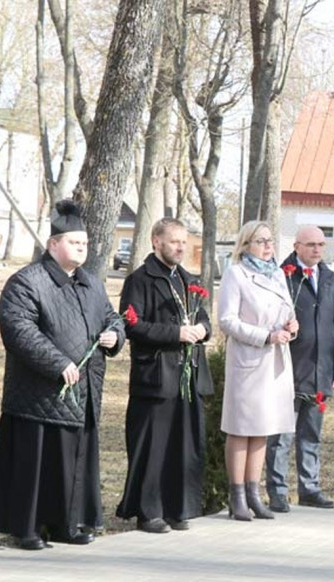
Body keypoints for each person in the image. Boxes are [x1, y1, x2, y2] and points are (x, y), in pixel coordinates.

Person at [0, 200, 125, 549]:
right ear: (53, 244)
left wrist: (115, 335)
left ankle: (66, 524)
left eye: (85, 244)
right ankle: (26, 528)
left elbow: (112, 317)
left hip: (83, 390)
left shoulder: (91, 282)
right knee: (36, 463)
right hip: (39, 393)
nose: (82, 248)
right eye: (75, 243)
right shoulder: (27, 281)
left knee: (72, 464)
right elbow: (18, 330)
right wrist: (57, 362)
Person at [116, 218, 213, 533]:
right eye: (174, 241)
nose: (181, 247)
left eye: (184, 242)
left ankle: (177, 507)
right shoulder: (140, 280)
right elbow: (132, 325)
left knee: (183, 445)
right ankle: (149, 510)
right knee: (154, 447)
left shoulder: (188, 279)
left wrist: (202, 329)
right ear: (156, 241)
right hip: (156, 377)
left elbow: (204, 321)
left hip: (187, 378)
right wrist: (176, 333)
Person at [218, 221, 297, 521]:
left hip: (275, 361)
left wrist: (292, 324)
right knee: (241, 428)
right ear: (246, 243)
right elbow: (227, 320)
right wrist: (265, 336)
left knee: (262, 428)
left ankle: (254, 492)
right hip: (249, 359)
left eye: (270, 240)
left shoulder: (277, 274)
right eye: (261, 241)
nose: (267, 246)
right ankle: (236, 494)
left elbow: (287, 310)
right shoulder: (236, 273)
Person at [266, 226, 334, 512]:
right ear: (297, 245)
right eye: (311, 244)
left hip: (320, 372)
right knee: (282, 435)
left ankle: (310, 488)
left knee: (311, 434)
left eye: (321, 245)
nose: (317, 250)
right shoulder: (283, 275)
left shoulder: (329, 279)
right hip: (289, 369)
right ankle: (277, 490)